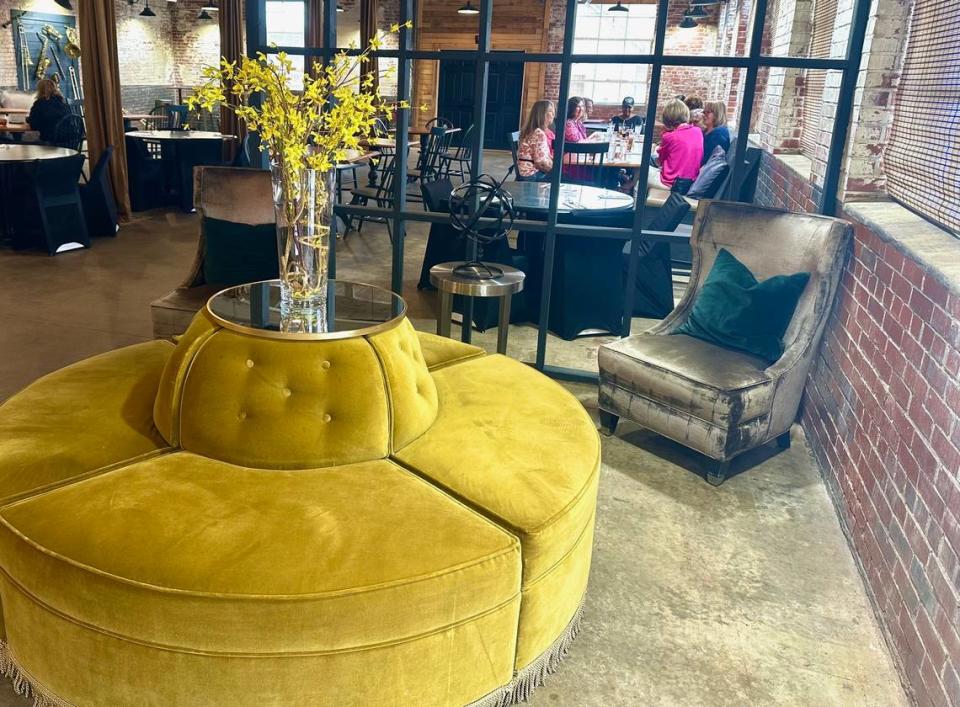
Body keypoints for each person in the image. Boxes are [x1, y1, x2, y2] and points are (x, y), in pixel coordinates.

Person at [647, 98, 703, 190]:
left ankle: (636, 202)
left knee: (641, 174)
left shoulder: (669, 136)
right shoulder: (698, 131)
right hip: (690, 182)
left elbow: (660, 161)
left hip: (672, 183)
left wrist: (665, 134)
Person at [516, 100, 555, 181]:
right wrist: (555, 172)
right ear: (543, 114)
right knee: (563, 178)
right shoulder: (539, 133)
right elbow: (540, 163)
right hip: (531, 174)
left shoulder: (531, 130)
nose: (553, 114)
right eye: (551, 111)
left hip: (525, 172)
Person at [27, 78, 71, 144]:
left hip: (51, 140)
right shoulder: (62, 102)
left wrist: (28, 120)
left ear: (40, 90)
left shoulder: (39, 103)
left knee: (26, 144)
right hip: (69, 140)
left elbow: (34, 125)